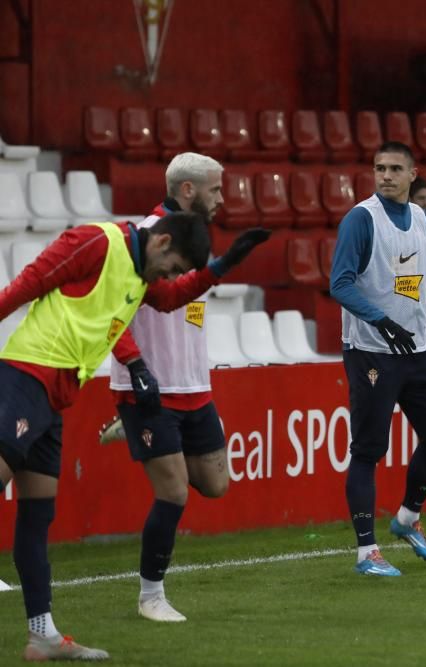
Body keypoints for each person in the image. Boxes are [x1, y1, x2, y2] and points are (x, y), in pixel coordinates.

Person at [0, 211, 260, 661]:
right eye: (175, 265)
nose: (171, 275)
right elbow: (28, 283)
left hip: (58, 394)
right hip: (25, 376)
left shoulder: (140, 276)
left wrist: (221, 267)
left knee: (37, 515)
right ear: (161, 242)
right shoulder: (97, 242)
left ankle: (42, 634)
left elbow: (173, 297)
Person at [104, 153, 270, 623]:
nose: (223, 199)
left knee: (215, 485)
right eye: (216, 190)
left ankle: (131, 431)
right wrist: (134, 368)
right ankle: (150, 596)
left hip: (195, 386)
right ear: (189, 191)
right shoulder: (142, 237)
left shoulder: (194, 240)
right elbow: (112, 314)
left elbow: (183, 302)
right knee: (174, 494)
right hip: (148, 389)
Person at [329, 141, 426, 577]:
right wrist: (380, 320)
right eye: (379, 168)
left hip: (417, 349)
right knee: (368, 450)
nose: (385, 175)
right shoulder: (361, 219)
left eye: (394, 169)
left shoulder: (421, 218)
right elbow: (341, 283)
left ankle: (407, 518)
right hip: (371, 351)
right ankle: (367, 553)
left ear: (412, 174)